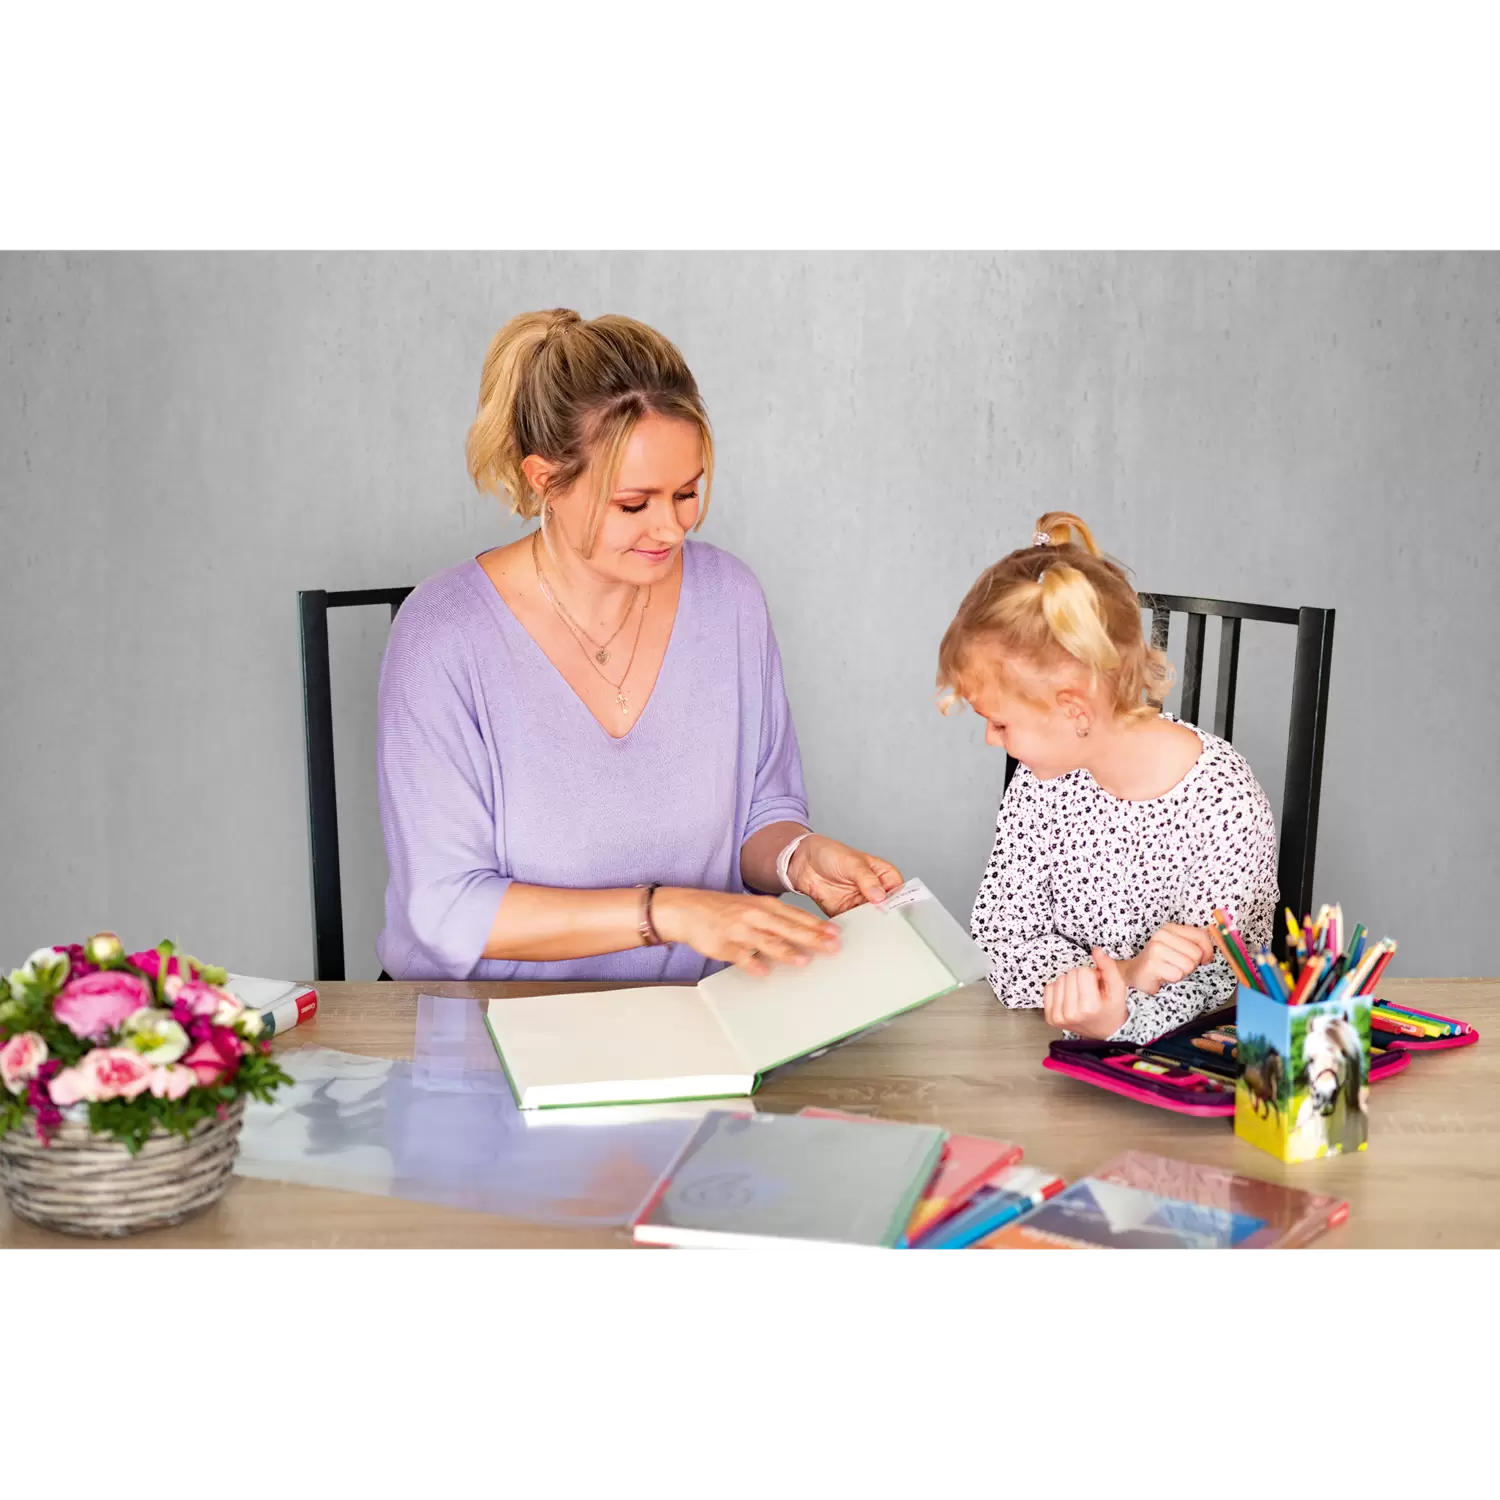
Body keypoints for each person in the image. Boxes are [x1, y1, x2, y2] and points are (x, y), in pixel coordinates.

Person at [376, 308, 902, 982]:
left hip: (697, 1017)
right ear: (545, 480)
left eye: (686, 493)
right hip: (488, 1027)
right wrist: (666, 912)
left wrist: (798, 858)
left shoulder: (730, 598)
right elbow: (448, 909)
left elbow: (760, 810)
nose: (672, 528)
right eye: (633, 504)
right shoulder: (443, 634)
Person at [936, 511, 1278, 1043]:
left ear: (1074, 711)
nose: (990, 739)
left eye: (999, 723)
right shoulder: (1040, 785)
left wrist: (1113, 1018)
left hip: (1183, 1065)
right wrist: (1126, 975)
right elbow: (1002, 947)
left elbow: (1213, 981)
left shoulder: (1222, 801)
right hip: (1045, 1051)